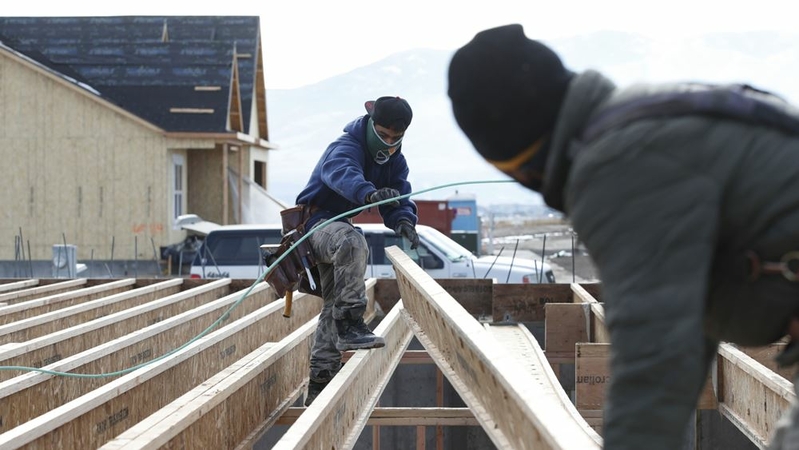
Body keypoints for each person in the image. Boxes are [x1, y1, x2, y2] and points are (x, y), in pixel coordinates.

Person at [447, 24, 799, 450]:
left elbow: (654, 362)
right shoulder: (643, 119)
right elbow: (681, 326)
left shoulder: (615, 165)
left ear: (516, 162)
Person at [295, 96, 420, 406]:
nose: (389, 143)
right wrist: (369, 193)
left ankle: (321, 380)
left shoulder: (394, 161)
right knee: (352, 241)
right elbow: (341, 174)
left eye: (396, 137)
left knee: (332, 304)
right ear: (370, 122)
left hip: (337, 227)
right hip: (316, 224)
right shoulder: (346, 146)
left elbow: (400, 194)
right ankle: (351, 323)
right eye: (384, 134)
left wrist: (403, 220)